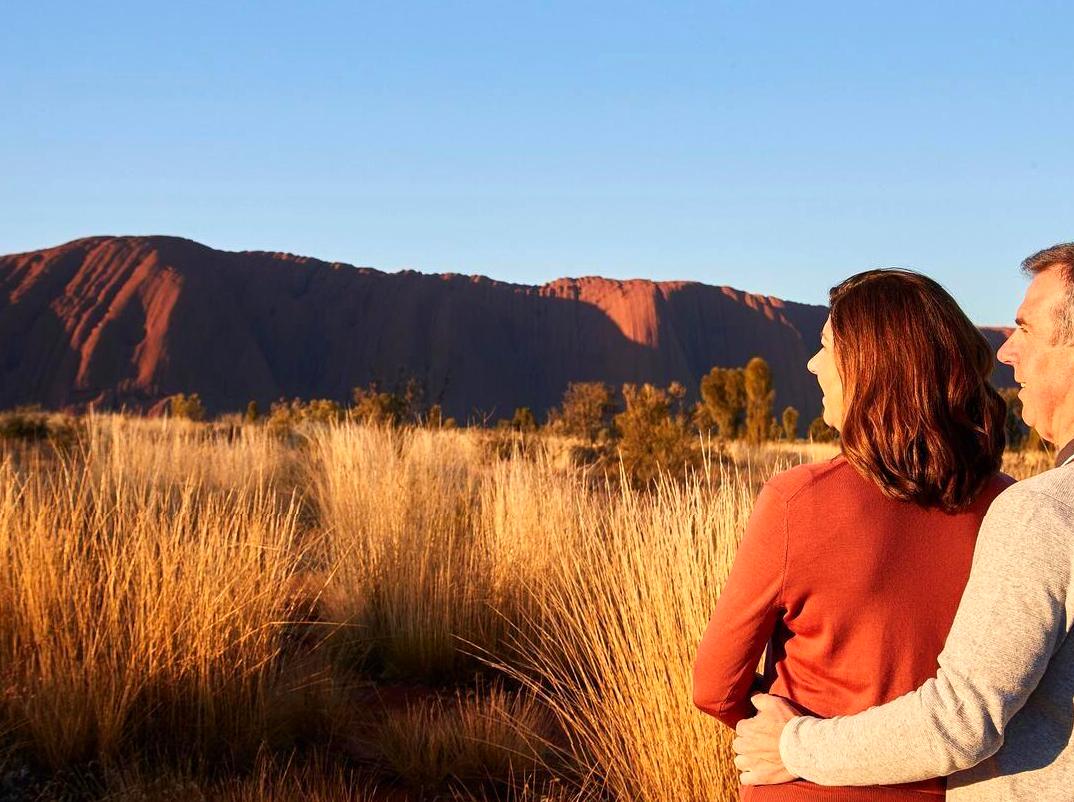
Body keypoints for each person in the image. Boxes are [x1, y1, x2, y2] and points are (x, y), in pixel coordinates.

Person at [731, 244, 1074, 801]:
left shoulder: (1042, 513)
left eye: (1026, 329)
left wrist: (793, 745)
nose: (1006, 351)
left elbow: (963, 721)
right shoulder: (1005, 499)